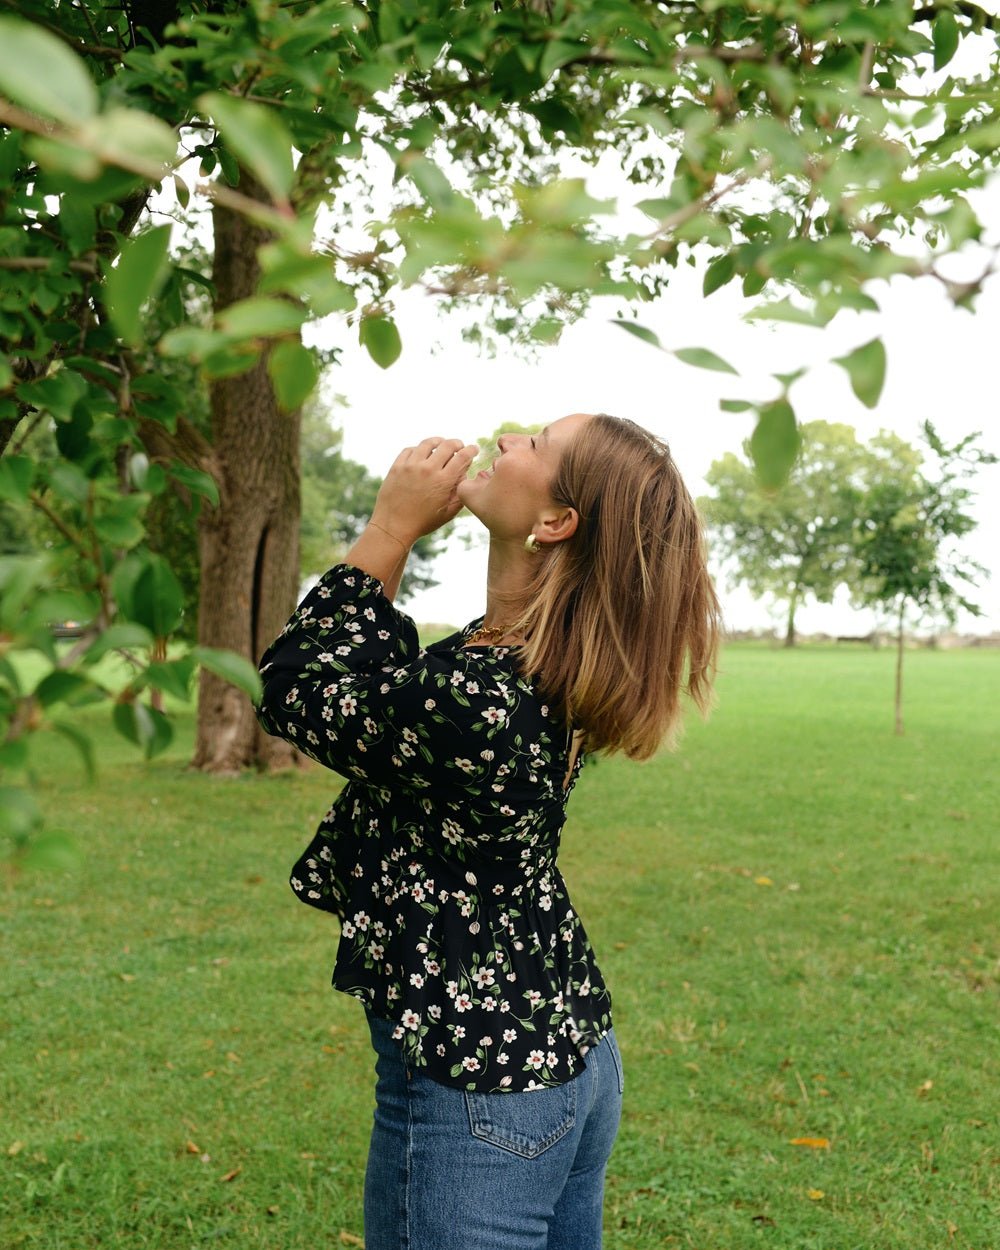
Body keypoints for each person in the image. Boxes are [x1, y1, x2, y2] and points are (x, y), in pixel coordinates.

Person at [255, 412, 720, 1249]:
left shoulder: (484, 698)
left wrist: (390, 528)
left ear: (554, 523)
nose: (507, 440)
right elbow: (383, 692)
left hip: (481, 1083)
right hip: (563, 1045)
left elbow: (296, 686)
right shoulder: (526, 662)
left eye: (536, 444)